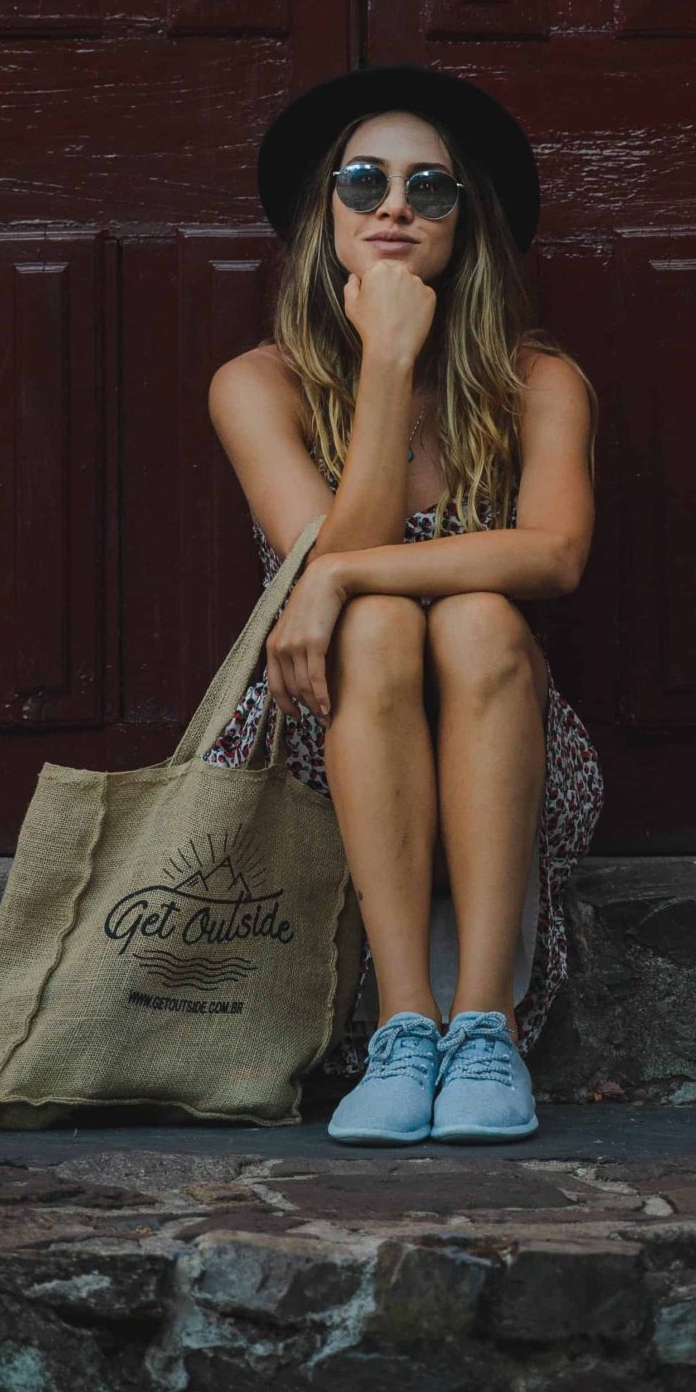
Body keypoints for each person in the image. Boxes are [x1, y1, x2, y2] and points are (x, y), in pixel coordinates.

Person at [203, 64, 603, 1144]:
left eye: (429, 188)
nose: (393, 207)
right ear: (324, 211)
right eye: (364, 181)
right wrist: (385, 358)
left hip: (497, 717)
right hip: (323, 725)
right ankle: (402, 1027)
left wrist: (335, 576)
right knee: (379, 626)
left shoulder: (536, 378)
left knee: (477, 616)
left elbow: (556, 556)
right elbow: (350, 551)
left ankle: (485, 1028)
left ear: (464, 225)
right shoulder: (258, 383)